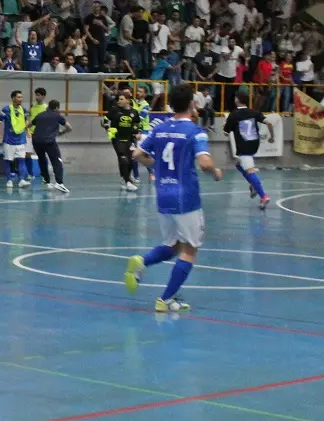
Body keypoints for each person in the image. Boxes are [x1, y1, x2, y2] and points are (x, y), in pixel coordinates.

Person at [125, 84, 223, 312]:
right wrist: (216, 172)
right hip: (185, 197)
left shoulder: (159, 129)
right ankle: (166, 299)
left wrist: (157, 167)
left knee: (173, 245)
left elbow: (138, 154)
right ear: (192, 104)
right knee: (190, 250)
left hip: (163, 195)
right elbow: (205, 163)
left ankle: (142, 262)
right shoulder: (195, 132)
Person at [223, 90, 275, 210]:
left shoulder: (234, 114)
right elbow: (269, 123)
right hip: (254, 144)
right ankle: (253, 184)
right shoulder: (254, 112)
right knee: (238, 164)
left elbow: (226, 133)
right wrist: (272, 137)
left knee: (250, 170)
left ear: (237, 100)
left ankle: (263, 196)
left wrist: (225, 125)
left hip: (243, 146)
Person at [30, 99, 72, 193]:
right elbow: (69, 127)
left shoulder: (40, 115)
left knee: (42, 160)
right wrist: (62, 132)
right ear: (57, 107)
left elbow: (28, 125)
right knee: (57, 161)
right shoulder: (57, 115)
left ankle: (47, 181)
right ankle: (59, 183)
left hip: (36, 141)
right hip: (49, 141)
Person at [103, 93, 142, 191]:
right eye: (118, 99)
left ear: (128, 100)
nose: (119, 101)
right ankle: (127, 181)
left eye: (121, 99)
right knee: (123, 158)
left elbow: (138, 124)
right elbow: (104, 120)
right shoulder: (114, 110)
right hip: (117, 138)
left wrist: (137, 133)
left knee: (131, 161)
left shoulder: (134, 112)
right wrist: (108, 128)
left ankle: (124, 178)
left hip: (130, 139)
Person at [0, 90, 31, 189]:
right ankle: (9, 180)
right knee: (8, 160)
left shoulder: (23, 110)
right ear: (13, 98)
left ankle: (21, 180)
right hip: (9, 140)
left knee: (22, 160)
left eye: (21, 97)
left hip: (21, 140)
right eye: (19, 97)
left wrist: (28, 130)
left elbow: (25, 121)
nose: (21, 99)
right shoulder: (6, 109)